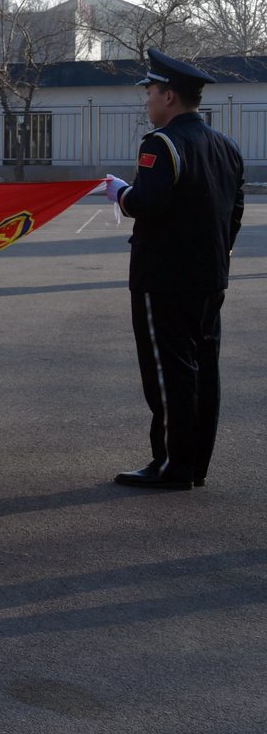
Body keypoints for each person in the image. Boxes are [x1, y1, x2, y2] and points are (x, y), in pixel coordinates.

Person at [106, 49, 245, 490]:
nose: (146, 100)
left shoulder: (161, 143)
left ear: (168, 96)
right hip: (209, 275)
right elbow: (233, 212)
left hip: (163, 278)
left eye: (149, 92)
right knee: (204, 368)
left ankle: (171, 464)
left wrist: (119, 192)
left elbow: (147, 203)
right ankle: (193, 463)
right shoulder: (226, 145)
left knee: (169, 372)